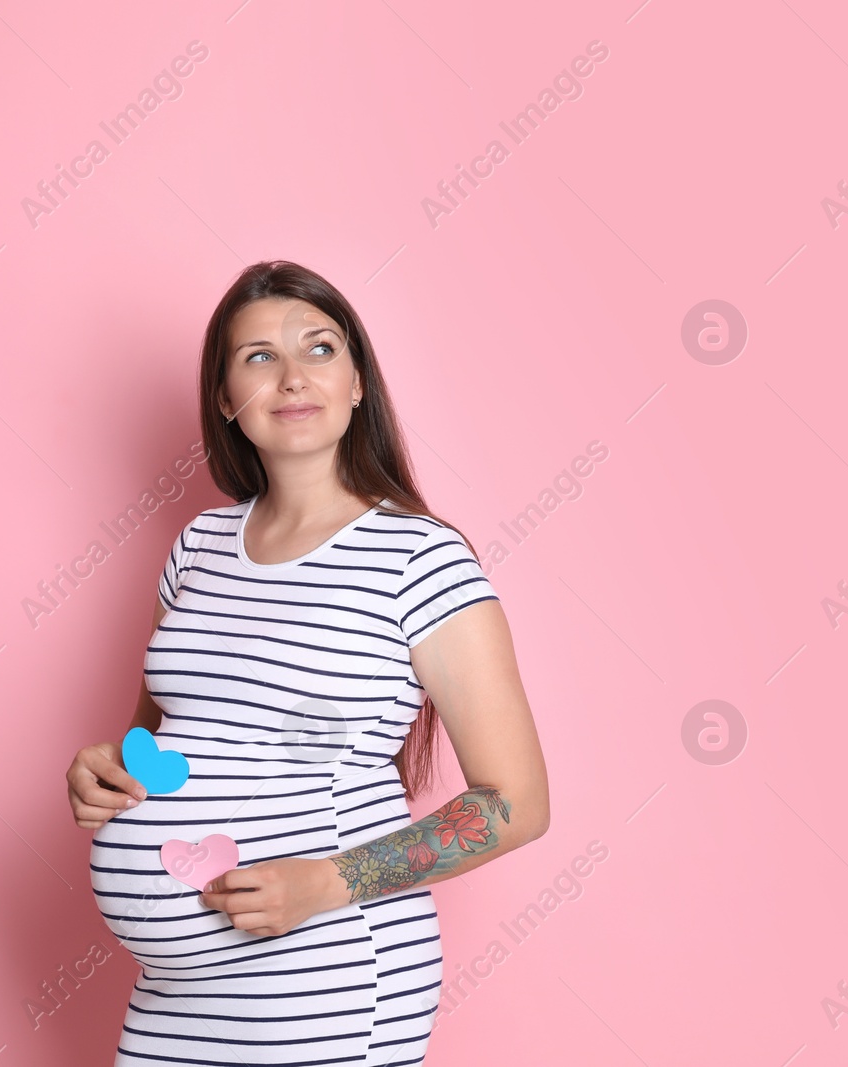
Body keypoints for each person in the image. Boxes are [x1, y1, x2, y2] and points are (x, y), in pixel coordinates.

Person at [64, 260, 550, 1065]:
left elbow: (515, 804)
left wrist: (326, 883)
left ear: (358, 381)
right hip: (173, 995)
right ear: (226, 400)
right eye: (257, 357)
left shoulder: (420, 559)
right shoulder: (198, 547)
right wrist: (107, 770)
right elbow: (169, 744)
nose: (292, 376)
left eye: (318, 348)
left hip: (328, 974)